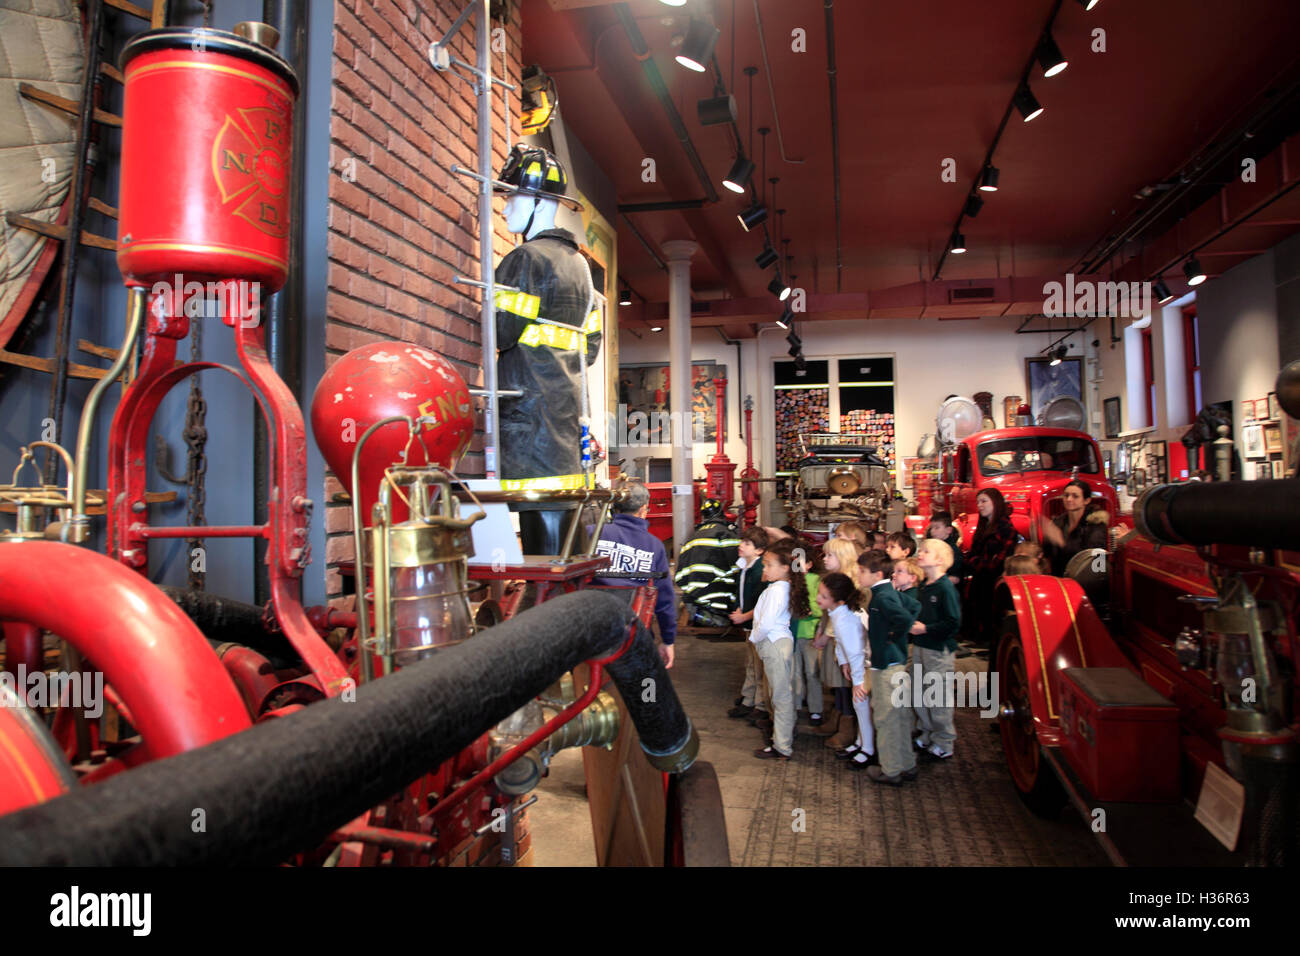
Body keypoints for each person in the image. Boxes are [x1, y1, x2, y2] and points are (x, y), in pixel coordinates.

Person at [493, 145, 600, 554]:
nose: (505, 210)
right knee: (565, 553)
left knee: (540, 558)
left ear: (538, 200)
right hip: (563, 423)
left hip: (528, 423)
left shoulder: (524, 259)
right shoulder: (583, 269)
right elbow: (588, 349)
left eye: (512, 197)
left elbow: (500, 334)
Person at [591, 482, 675, 668]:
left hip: (591, 633)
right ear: (643, 509)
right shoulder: (654, 546)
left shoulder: (591, 534)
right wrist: (668, 640)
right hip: (633, 637)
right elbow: (665, 600)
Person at [856, 550, 919, 785]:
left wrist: (892, 636)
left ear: (877, 574)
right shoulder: (887, 592)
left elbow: (905, 618)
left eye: (862, 572)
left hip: (886, 666)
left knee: (886, 718)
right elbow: (913, 605)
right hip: (897, 662)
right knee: (900, 717)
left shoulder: (882, 597)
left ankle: (891, 769)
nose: (859, 576)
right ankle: (906, 763)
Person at [751, 540, 811, 760]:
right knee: (780, 693)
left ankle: (782, 745)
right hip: (779, 642)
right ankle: (782, 738)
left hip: (773, 642)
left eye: (768, 565)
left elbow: (765, 624)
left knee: (780, 695)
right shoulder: (781, 588)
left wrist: (755, 638)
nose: (765, 569)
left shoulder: (777, 590)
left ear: (785, 568)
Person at [817, 573, 876, 771]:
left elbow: (856, 651)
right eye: (820, 594)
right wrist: (843, 663)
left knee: (861, 704)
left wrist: (859, 682)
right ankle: (860, 742)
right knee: (859, 705)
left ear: (839, 600)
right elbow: (843, 646)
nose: (818, 599)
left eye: (824, 596)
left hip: (866, 665)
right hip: (858, 665)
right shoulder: (839, 613)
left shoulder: (845, 619)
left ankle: (867, 748)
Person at [910, 539, 962, 760]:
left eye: (925, 551)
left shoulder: (944, 588)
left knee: (938, 696)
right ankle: (927, 731)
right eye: (920, 550)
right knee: (919, 693)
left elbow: (953, 622)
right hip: (921, 646)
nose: (920, 554)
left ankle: (944, 740)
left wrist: (927, 629)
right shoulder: (924, 586)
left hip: (937, 650)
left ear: (940, 560)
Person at [816, 537, 863, 747]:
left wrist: (825, 635)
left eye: (829, 555)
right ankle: (837, 717)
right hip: (834, 641)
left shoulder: (847, 583)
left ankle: (846, 727)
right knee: (836, 683)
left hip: (842, 642)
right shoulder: (832, 579)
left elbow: (841, 617)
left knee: (843, 683)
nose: (825, 559)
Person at [964, 488, 1019, 649]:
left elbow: (995, 563)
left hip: (993, 581)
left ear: (996, 502)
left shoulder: (1005, 528)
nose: (980, 505)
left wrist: (974, 561)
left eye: (984, 501)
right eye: (978, 502)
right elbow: (973, 555)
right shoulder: (983, 526)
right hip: (981, 579)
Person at [727, 526, 770, 720]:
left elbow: (762, 602)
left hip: (757, 625)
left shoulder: (760, 570)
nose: (741, 545)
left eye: (747, 543)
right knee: (751, 663)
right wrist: (739, 609)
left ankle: (760, 705)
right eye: (742, 541)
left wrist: (745, 616)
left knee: (759, 666)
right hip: (748, 623)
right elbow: (741, 592)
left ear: (759, 551)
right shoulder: (745, 566)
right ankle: (748, 698)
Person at [1039, 478, 1110, 576]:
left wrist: (1062, 543)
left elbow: (1098, 565)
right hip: (1060, 581)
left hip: (1085, 583)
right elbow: (1047, 554)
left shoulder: (1096, 525)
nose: (1069, 499)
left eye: (1075, 496)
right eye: (1066, 495)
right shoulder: (1058, 523)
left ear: (1086, 500)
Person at [791, 546, 825, 726]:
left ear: (810, 564)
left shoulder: (815, 580)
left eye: (800, 560)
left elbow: (822, 605)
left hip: (810, 632)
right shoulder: (790, 581)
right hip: (793, 632)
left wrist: (811, 610)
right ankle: (796, 704)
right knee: (795, 672)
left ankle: (816, 709)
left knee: (812, 673)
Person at [926, 510, 966, 583]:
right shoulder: (933, 548)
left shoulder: (953, 551)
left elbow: (955, 578)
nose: (932, 531)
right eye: (931, 528)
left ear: (948, 530)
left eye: (937, 528)